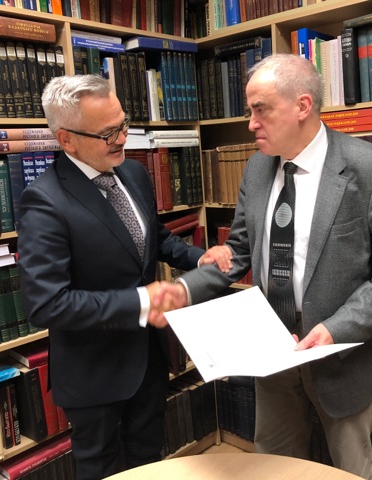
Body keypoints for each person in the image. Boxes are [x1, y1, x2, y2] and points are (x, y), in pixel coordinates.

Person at [161, 54, 372, 479]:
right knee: (274, 465)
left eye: (260, 109)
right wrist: (182, 290)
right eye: (249, 111)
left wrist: (337, 328)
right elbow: (239, 251)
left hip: (339, 355)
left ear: (302, 106)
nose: (251, 124)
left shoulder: (368, 169)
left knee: (350, 470)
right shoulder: (257, 169)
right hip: (270, 349)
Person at [17, 74, 231, 480]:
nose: (122, 138)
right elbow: (46, 304)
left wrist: (198, 257)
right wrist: (142, 301)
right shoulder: (44, 201)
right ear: (66, 140)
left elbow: (154, 237)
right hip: (93, 371)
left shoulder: (133, 173)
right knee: (99, 470)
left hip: (147, 358)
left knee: (149, 462)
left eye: (123, 124)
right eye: (107, 133)